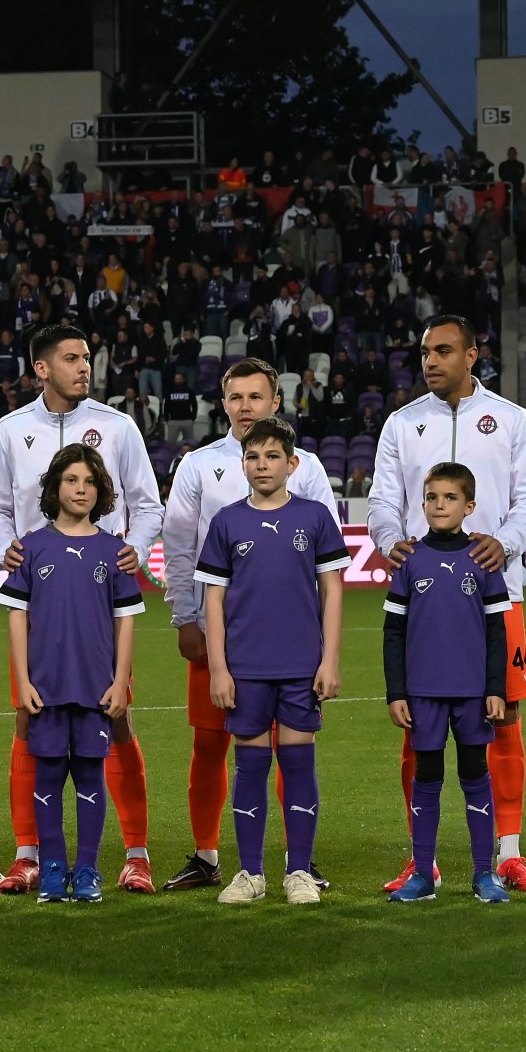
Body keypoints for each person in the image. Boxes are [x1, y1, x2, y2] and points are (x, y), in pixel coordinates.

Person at [0, 322, 164, 894]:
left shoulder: (118, 426)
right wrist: (3, 548)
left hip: (98, 595)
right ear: (41, 368)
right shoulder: (10, 430)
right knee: (28, 716)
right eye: (71, 358)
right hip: (36, 586)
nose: (84, 367)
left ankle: (135, 853)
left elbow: (147, 504)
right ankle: (29, 855)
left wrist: (136, 549)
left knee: (116, 717)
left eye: (87, 357)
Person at [369, 314, 526, 893]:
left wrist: (506, 541)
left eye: (443, 351)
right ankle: (421, 859)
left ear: (472, 356)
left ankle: (509, 854)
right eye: (426, 352)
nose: (431, 361)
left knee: (505, 717)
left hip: (494, 592)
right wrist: (389, 540)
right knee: (416, 722)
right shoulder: (402, 423)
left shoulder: (510, 419)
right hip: (424, 597)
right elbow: (382, 500)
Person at [160, 357, 340, 893]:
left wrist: (324, 652)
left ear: (275, 402)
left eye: (255, 397)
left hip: (292, 644)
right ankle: (210, 855)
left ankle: (298, 861)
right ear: (223, 403)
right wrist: (184, 614)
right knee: (211, 745)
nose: (245, 407)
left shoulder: (307, 468)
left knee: (292, 753)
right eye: (236, 397)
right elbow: (178, 545)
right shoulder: (199, 465)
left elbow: (325, 566)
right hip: (224, 639)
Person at [196, 417, 348, 906]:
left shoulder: (315, 517)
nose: (262, 465)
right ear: (242, 464)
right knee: (250, 767)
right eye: (253, 457)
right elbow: (213, 601)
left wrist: (329, 660)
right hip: (246, 670)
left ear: (292, 463)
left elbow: (332, 591)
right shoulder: (227, 522)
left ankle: (299, 871)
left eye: (272, 456)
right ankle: (251, 874)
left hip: (301, 666)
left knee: (298, 765)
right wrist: (219, 669)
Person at [0, 445, 143, 904]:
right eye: (72, 480)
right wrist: (22, 680)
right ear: (55, 487)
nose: (81, 489)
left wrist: (120, 682)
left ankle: (88, 869)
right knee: (48, 777)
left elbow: (126, 621)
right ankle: (54, 868)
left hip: (96, 687)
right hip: (46, 686)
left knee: (91, 776)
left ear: (101, 491)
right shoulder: (30, 548)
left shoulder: (114, 552)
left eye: (90, 482)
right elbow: (16, 617)